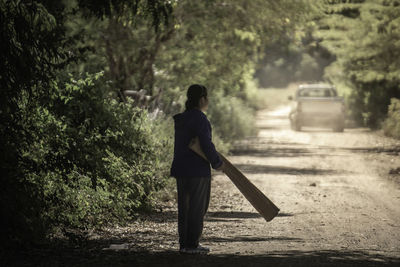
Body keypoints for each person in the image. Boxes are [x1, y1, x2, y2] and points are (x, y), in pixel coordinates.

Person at [170, 84, 224, 254]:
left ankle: (184, 245)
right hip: (197, 171)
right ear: (202, 99)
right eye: (206, 98)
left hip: (181, 169)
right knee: (197, 208)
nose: (207, 101)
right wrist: (217, 162)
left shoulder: (182, 118)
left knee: (184, 209)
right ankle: (192, 244)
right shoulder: (200, 119)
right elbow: (206, 145)